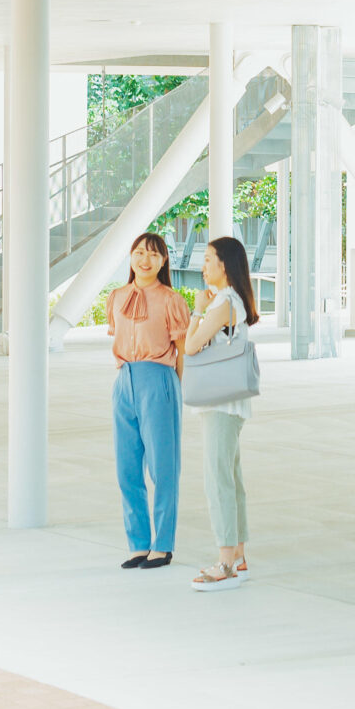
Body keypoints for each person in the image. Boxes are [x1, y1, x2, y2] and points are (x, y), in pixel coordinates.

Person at [182, 232, 258, 589]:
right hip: (230, 402)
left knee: (218, 480)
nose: (203, 266)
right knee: (231, 477)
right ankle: (238, 554)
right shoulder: (230, 300)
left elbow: (192, 346)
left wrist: (198, 309)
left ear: (225, 265)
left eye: (209, 260)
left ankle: (225, 562)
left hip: (221, 402)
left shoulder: (224, 303)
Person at [109, 231, 188, 569]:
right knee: (127, 467)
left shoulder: (171, 300)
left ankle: (163, 544)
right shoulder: (116, 297)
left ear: (163, 261)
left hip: (159, 379)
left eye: (154, 255)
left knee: (163, 467)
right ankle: (138, 544)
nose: (145, 259)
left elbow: (182, 351)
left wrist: (172, 388)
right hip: (123, 380)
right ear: (130, 257)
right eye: (139, 252)